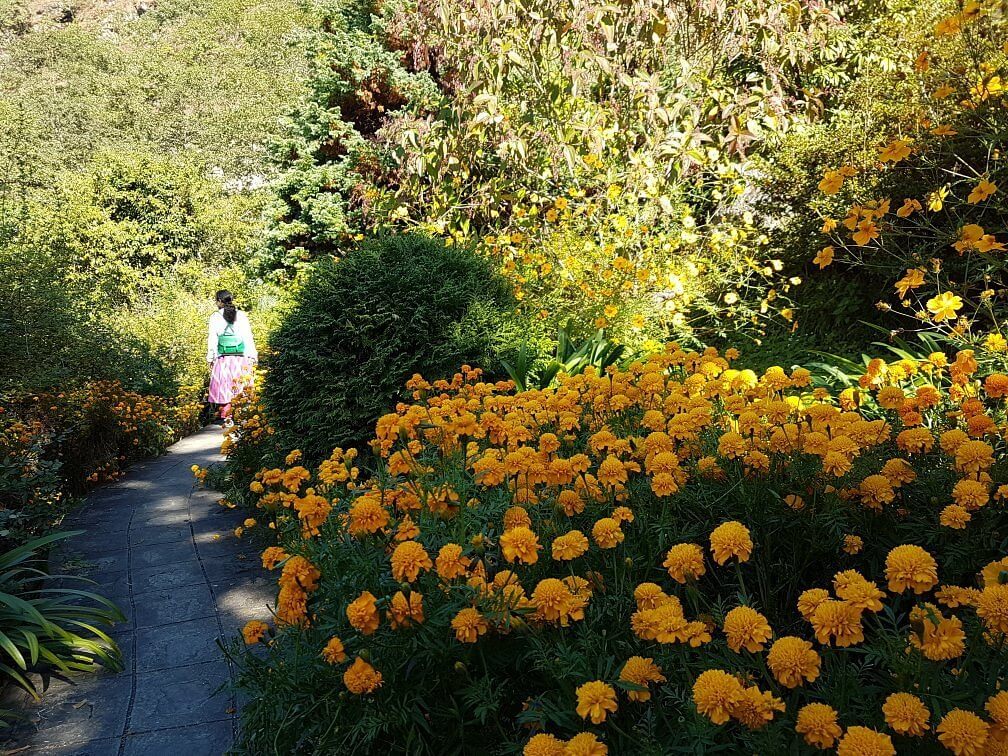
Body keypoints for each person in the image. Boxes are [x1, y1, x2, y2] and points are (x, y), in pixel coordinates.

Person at [206, 290, 257, 424]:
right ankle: (242, 416)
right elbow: (248, 337)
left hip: (223, 357)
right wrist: (252, 356)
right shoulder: (241, 315)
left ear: (219, 301)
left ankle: (226, 416)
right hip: (241, 357)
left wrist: (210, 357)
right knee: (240, 386)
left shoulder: (215, 317)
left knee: (224, 386)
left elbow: (212, 339)